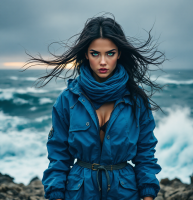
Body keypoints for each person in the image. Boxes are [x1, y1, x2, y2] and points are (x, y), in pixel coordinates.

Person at [23, 13, 165, 200]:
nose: (103, 61)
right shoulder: (68, 100)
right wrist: (56, 193)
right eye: (95, 53)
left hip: (125, 192)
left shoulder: (136, 100)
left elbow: (145, 153)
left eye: (110, 53)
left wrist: (147, 194)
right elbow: (58, 155)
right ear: (86, 54)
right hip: (79, 192)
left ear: (119, 53)